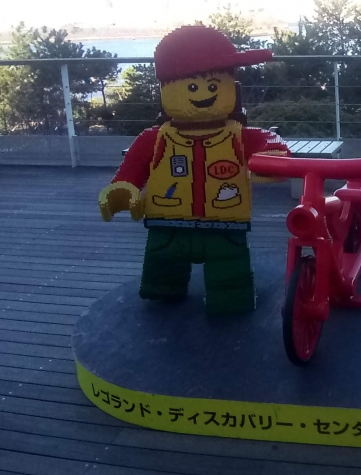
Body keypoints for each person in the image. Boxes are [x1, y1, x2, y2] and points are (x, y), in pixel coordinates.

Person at [98, 26, 289, 315]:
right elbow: (131, 169)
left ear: (231, 86)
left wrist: (273, 157)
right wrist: (123, 188)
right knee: (162, 274)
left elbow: (271, 141)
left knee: (230, 279)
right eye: (191, 87)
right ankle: (164, 292)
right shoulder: (156, 138)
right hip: (167, 223)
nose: (203, 94)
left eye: (213, 86)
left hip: (225, 225)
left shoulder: (238, 135)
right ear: (165, 89)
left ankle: (229, 299)